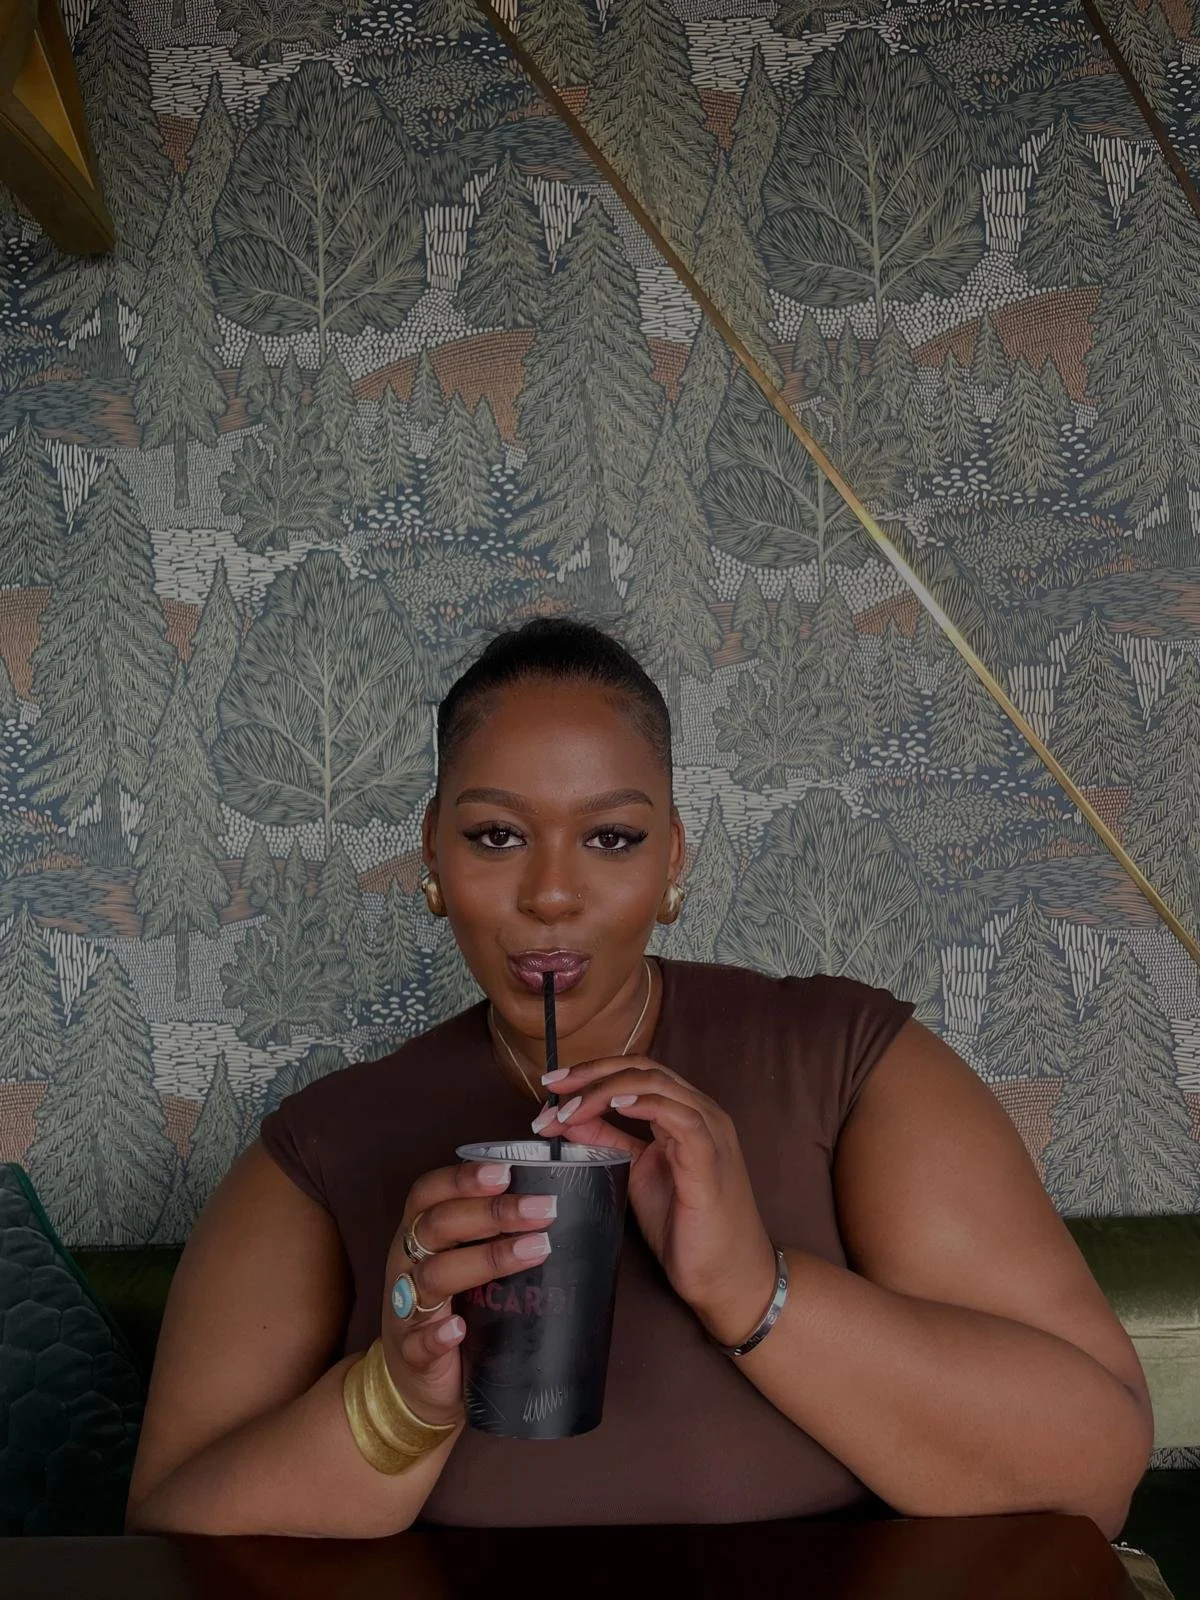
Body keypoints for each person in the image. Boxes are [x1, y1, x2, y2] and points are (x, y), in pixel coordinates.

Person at [126, 618, 1151, 1538]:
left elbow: (1094, 1464)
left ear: (673, 863)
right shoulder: (322, 1148)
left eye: (611, 837)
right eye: (496, 836)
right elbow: (167, 1534)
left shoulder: (846, 1064)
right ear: (432, 856)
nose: (554, 893)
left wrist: (752, 1285)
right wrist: (400, 1394)